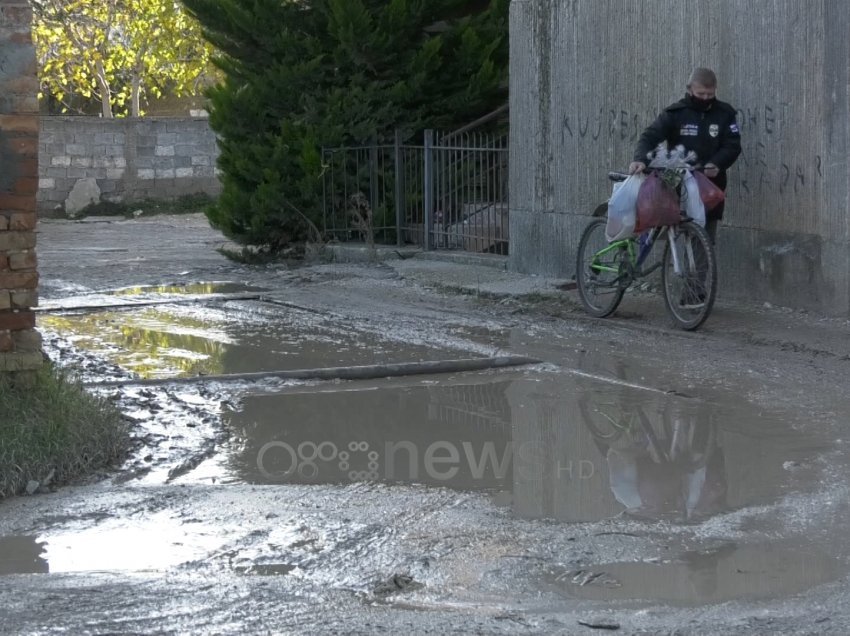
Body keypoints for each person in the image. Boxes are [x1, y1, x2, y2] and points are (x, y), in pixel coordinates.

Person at [628, 67, 742, 243]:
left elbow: (732, 145)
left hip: (709, 187)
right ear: (690, 89)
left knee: (705, 241)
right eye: (700, 93)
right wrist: (640, 159)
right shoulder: (676, 113)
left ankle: (701, 271)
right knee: (657, 230)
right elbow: (649, 137)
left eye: (709, 94)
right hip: (676, 184)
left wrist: (717, 163)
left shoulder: (724, 114)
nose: (705, 98)